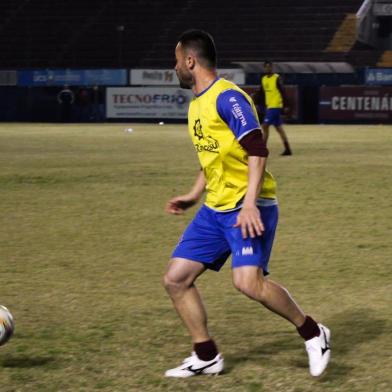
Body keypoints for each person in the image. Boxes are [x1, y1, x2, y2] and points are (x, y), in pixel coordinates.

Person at [163, 29, 330, 378]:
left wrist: (250, 204)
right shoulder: (197, 105)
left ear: (190, 61)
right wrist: (193, 195)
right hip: (215, 208)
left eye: (177, 60)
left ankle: (314, 333)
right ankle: (206, 354)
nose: (174, 67)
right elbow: (213, 158)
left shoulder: (229, 97)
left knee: (248, 284)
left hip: (248, 206)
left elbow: (256, 149)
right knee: (176, 279)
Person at [253, 61, 293, 156]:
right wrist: (256, 101)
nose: (268, 69)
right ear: (264, 68)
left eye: (269, 67)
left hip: (275, 106)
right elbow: (262, 93)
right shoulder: (264, 79)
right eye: (266, 67)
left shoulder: (276, 78)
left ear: (272, 67)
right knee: (279, 128)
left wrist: (286, 105)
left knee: (265, 126)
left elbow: (283, 92)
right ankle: (288, 149)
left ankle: (262, 150)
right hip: (269, 106)